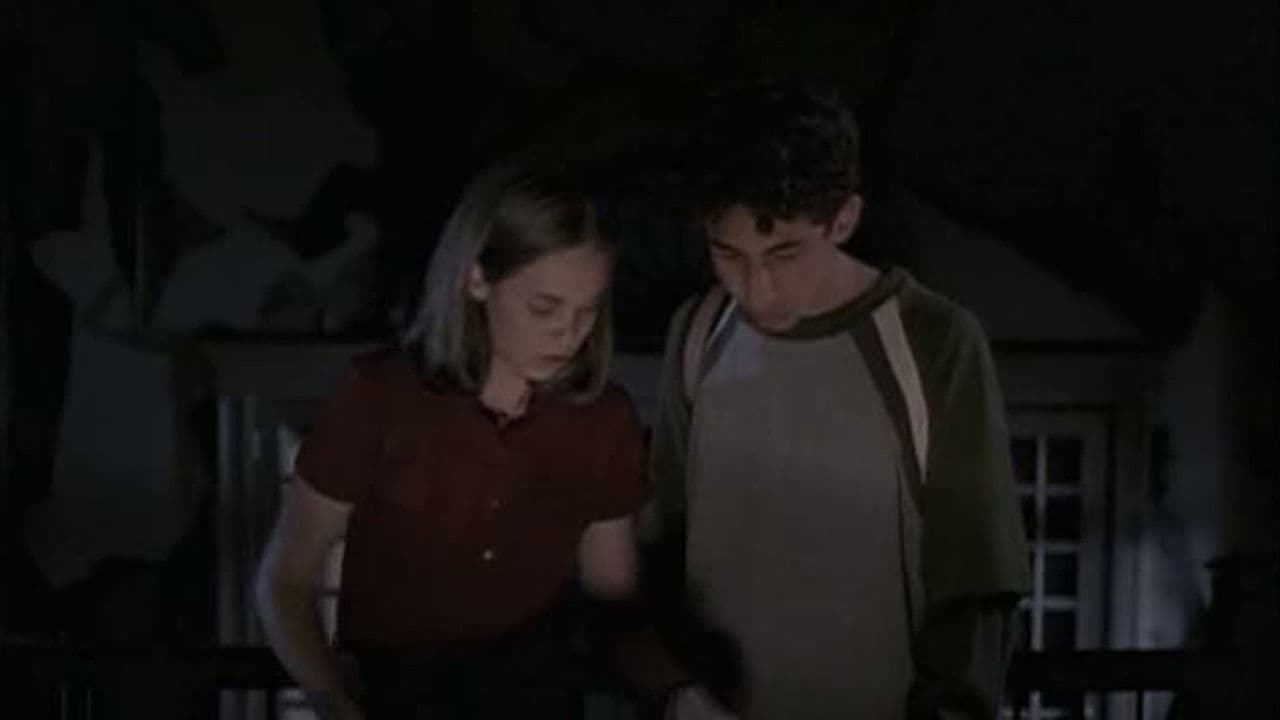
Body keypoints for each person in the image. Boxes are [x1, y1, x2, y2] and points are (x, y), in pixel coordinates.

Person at [640, 82, 1032, 719]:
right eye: (728, 255)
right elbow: (661, 542)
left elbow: (975, 574)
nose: (756, 290)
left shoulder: (934, 340)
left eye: (784, 254)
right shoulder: (699, 332)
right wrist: (676, 694)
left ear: (843, 220)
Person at [255, 154, 649, 719]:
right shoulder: (380, 397)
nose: (568, 334)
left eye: (587, 311)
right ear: (477, 278)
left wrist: (678, 693)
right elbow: (286, 580)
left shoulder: (602, 421)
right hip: (394, 701)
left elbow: (615, 605)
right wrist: (330, 698)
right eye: (544, 308)